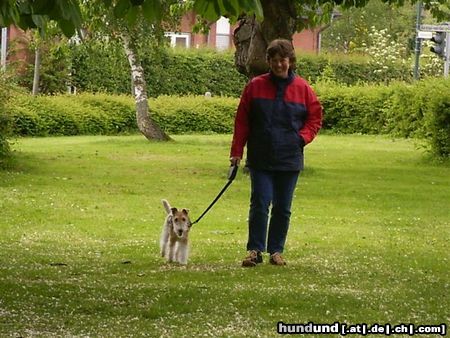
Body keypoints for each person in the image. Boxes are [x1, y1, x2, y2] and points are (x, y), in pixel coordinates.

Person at [229, 39, 323, 267]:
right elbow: (242, 121)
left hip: (289, 158)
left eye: (283, 60)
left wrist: (302, 138)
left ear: (290, 61)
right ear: (268, 62)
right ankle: (254, 250)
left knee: (283, 207)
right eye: (274, 61)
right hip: (260, 156)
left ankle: (276, 251)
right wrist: (236, 152)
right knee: (260, 203)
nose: (279, 65)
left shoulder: (303, 89)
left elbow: (315, 118)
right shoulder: (254, 86)